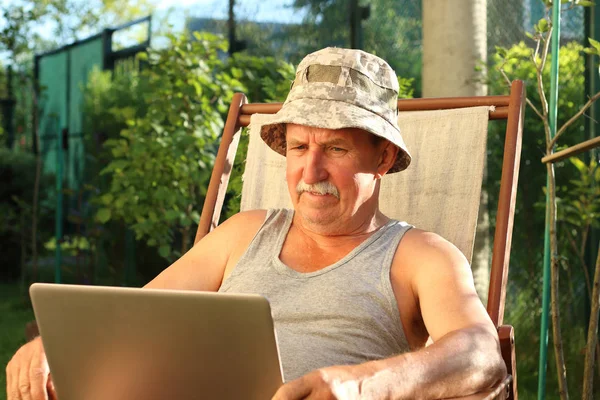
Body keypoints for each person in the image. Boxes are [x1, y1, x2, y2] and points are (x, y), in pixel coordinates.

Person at [6, 47, 506, 400]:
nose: (311, 173)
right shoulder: (245, 232)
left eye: (335, 148)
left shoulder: (419, 255)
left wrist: (364, 385)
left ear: (383, 157)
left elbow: (482, 356)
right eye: (298, 147)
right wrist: (51, 344)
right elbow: (132, 319)